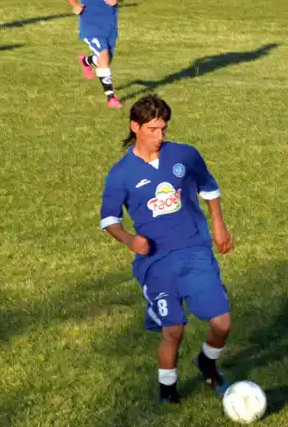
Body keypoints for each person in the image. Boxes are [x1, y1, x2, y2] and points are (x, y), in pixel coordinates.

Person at [99, 94, 234, 404]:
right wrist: (130, 239)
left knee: (222, 324)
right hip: (156, 263)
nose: (159, 137)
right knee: (173, 330)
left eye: (163, 129)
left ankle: (206, 362)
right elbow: (109, 220)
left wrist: (218, 224)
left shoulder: (184, 156)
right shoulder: (121, 173)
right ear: (135, 127)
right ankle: (168, 391)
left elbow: (209, 188)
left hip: (195, 251)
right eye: (152, 130)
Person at [63, 0, 129, 108]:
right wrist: (75, 5)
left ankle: (86, 61)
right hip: (89, 23)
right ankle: (111, 97)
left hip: (109, 23)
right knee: (104, 58)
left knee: (106, 59)